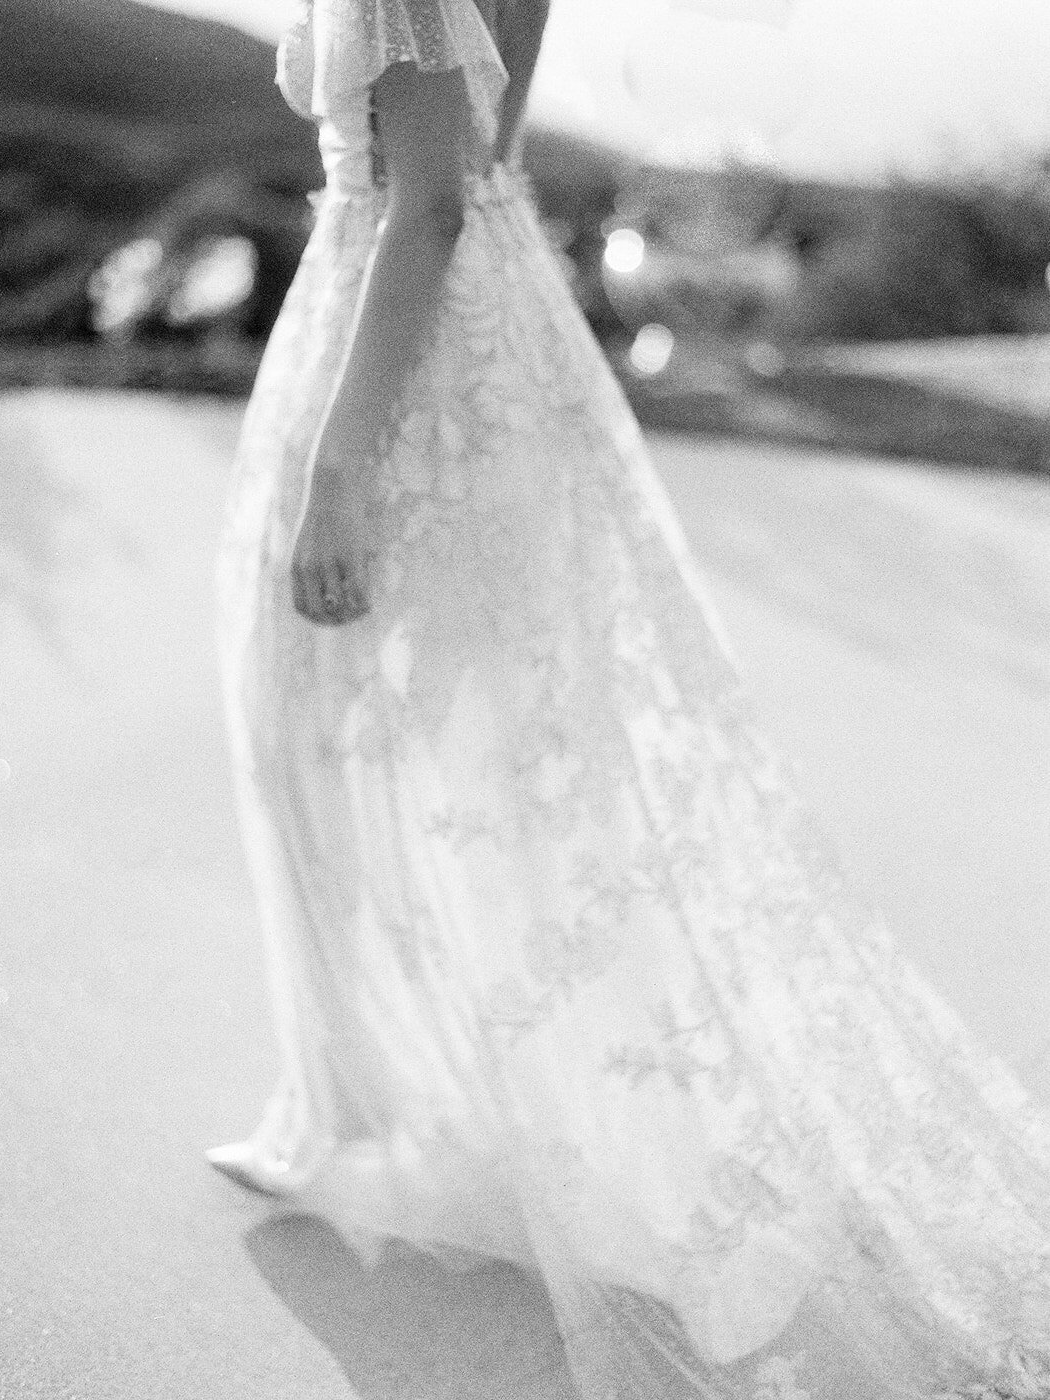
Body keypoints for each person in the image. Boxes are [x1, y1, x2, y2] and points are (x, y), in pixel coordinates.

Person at [206, 2, 1050, 1394]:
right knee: (504, 726)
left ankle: (366, 1115)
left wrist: (338, 471)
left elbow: (423, 210)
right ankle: (398, 1102)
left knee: (309, 705)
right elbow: (483, 153)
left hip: (397, 341)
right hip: (496, 344)